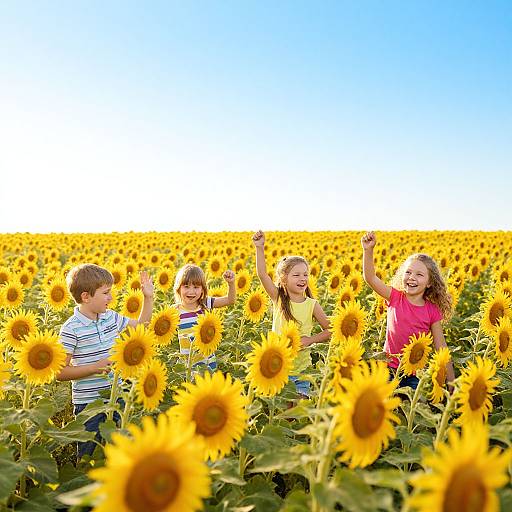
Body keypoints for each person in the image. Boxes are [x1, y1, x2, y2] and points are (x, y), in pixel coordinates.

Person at [57, 263, 154, 458]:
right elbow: (60, 372)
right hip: (88, 403)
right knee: (89, 455)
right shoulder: (70, 329)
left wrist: (148, 297)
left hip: (116, 396)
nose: (111, 297)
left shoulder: (110, 317)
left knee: (120, 452)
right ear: (86, 297)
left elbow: (141, 326)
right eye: (106, 293)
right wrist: (93, 368)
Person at [361, 231, 455, 389]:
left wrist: (451, 382)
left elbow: (441, 348)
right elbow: (370, 278)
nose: (412, 277)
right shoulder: (395, 297)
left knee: (414, 407)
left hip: (413, 373)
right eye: (408, 272)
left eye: (419, 274)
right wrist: (368, 250)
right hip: (387, 366)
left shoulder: (432, 311)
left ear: (430, 283)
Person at [252, 230, 331, 397]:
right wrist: (259, 247)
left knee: (298, 412)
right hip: (278, 368)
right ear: (283, 279)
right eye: (296, 275)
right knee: (283, 411)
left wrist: (311, 340)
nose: (302, 279)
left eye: (305, 274)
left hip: (302, 368)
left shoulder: (312, 304)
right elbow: (262, 274)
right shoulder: (279, 299)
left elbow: (330, 330)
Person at [173, 263, 235, 373]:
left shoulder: (206, 303)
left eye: (196, 287)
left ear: (202, 289)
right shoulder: (175, 311)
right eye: (186, 286)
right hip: (188, 367)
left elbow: (230, 300)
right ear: (178, 288)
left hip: (207, 364)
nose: (191, 291)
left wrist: (231, 284)